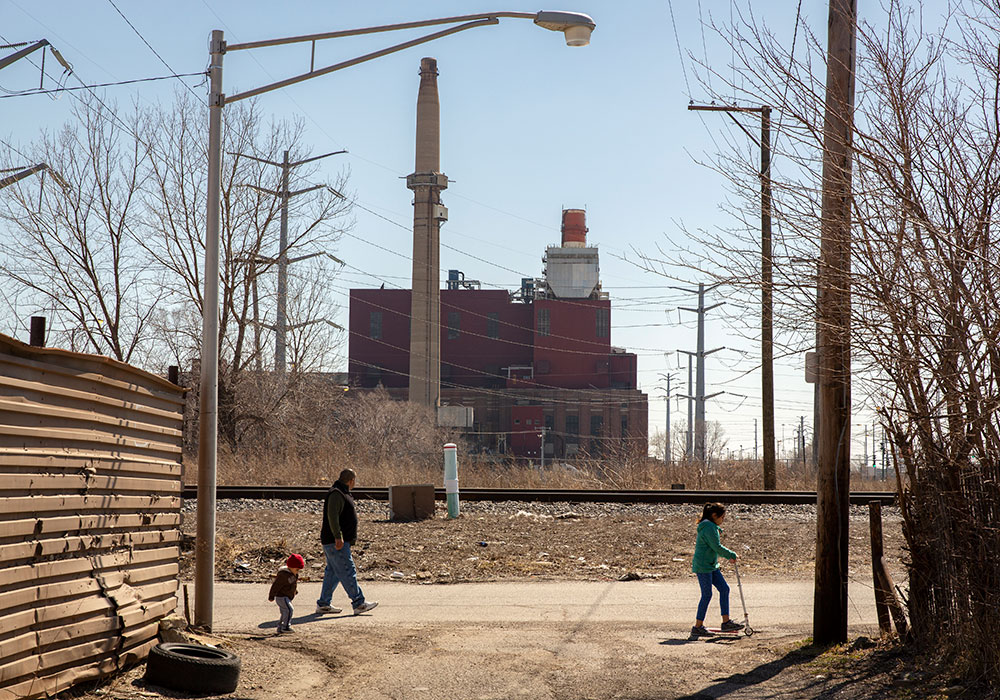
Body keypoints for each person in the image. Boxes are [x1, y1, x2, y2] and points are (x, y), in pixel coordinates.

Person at [315, 468, 379, 615]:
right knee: (348, 570)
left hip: (336, 541)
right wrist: (338, 536)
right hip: (335, 541)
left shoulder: (341, 492)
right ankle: (359, 602)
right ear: (351, 481)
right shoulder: (337, 493)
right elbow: (333, 516)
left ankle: (324, 604)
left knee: (333, 572)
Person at [690, 502, 743, 638]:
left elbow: (714, 548)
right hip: (703, 566)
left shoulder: (711, 527)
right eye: (722, 517)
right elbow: (716, 546)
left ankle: (726, 622)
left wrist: (727, 557)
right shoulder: (708, 528)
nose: (723, 520)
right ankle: (697, 626)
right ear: (714, 515)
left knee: (724, 589)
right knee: (707, 594)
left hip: (711, 565)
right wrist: (731, 554)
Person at [268, 553, 304, 634]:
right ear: (290, 567)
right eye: (297, 569)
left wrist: (295, 591)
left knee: (285, 612)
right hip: (282, 597)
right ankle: (286, 627)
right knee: (289, 610)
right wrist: (271, 596)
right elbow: (275, 586)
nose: (297, 572)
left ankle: (280, 627)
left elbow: (292, 584)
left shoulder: (293, 574)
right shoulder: (283, 575)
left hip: (287, 596)